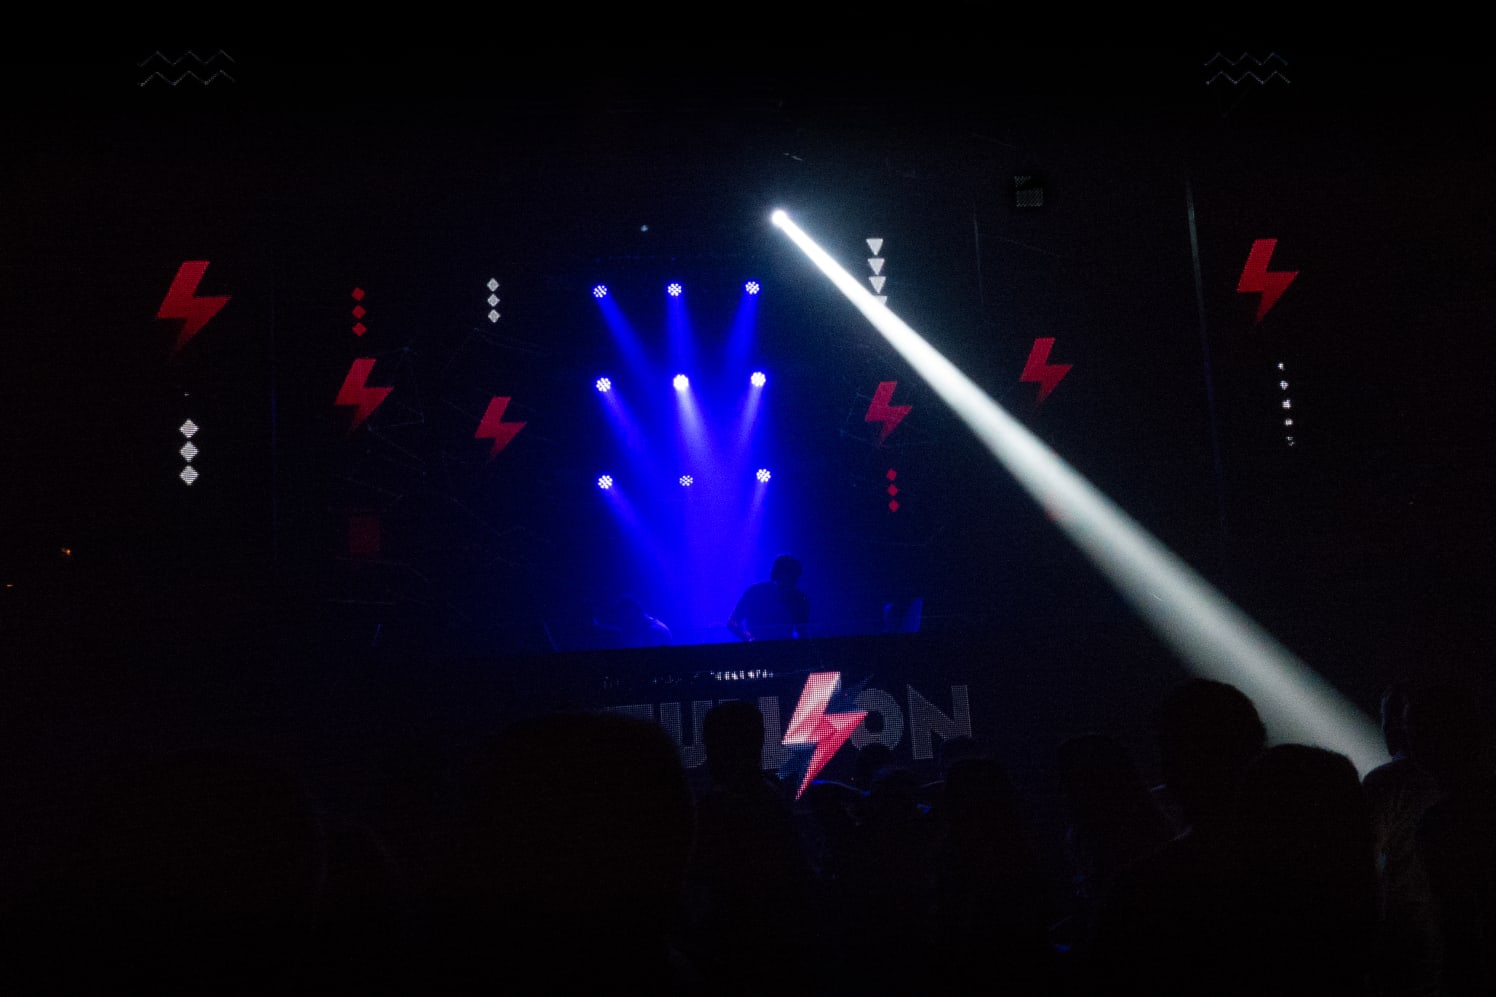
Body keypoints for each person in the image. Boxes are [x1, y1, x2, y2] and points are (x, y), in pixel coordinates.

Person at [726, 554, 808, 643]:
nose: (792, 580)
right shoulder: (754, 593)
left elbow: (802, 632)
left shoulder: (799, 598)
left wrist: (750, 639)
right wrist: (750, 639)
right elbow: (733, 623)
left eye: (794, 577)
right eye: (788, 575)